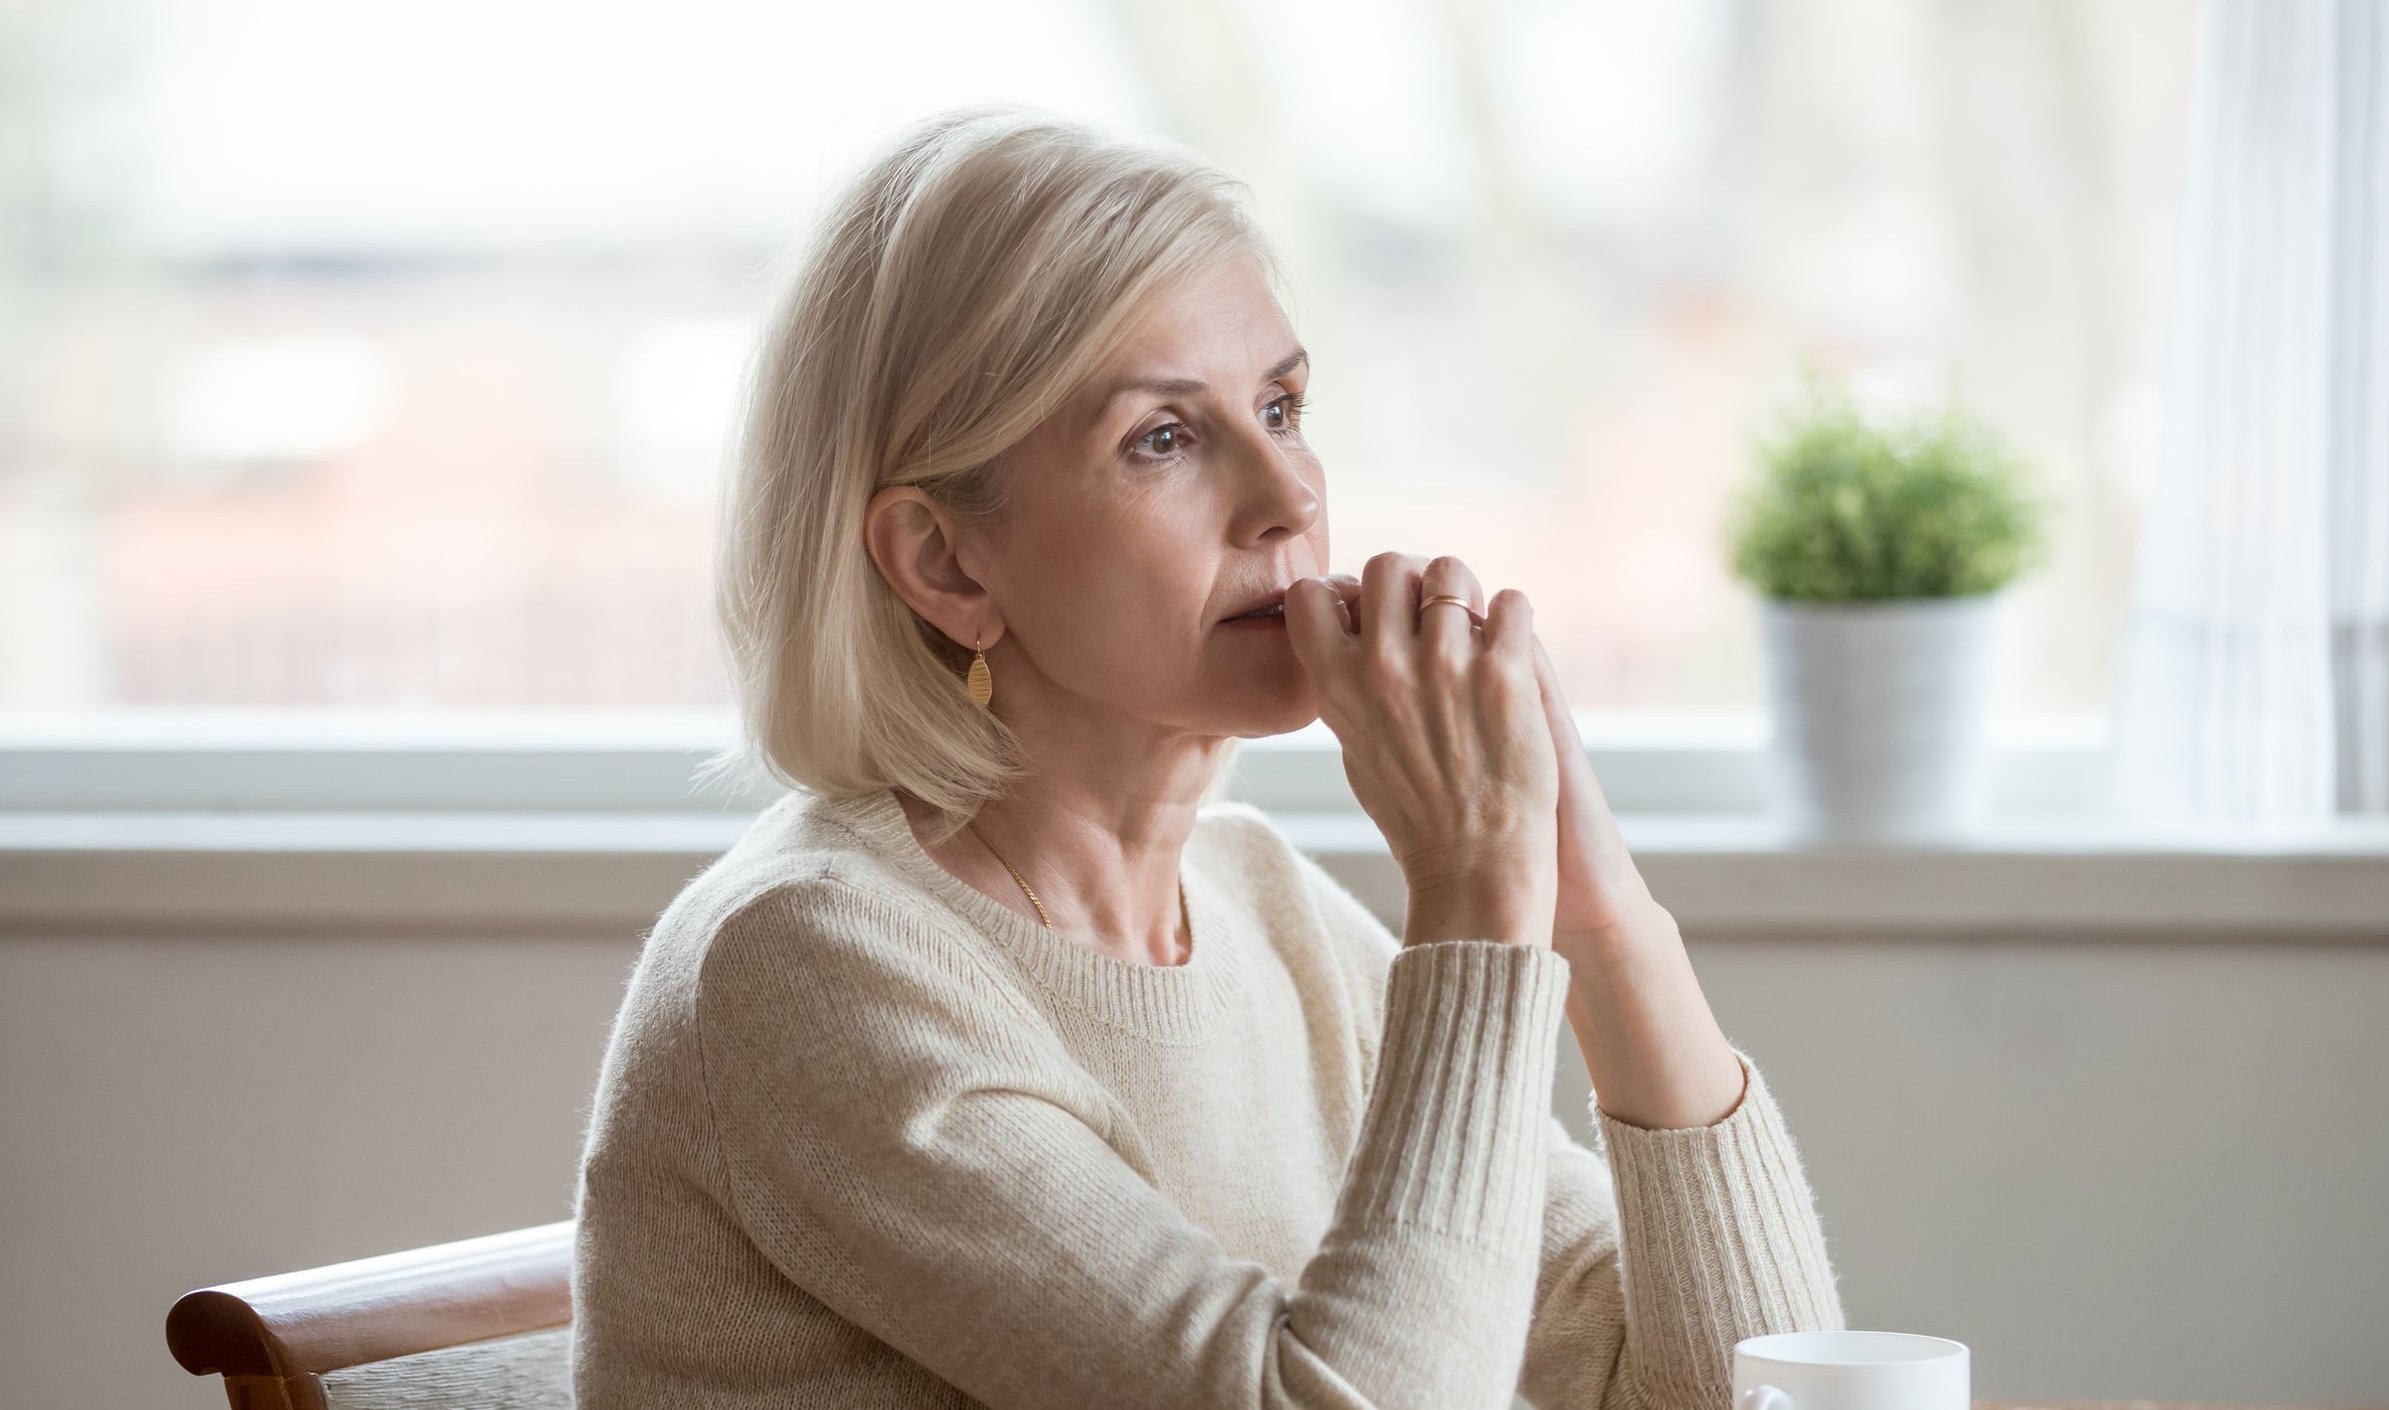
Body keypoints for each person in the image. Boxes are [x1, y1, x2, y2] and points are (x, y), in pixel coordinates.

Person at [571, 104, 1847, 1410]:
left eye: (1283, 405)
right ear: (946, 563)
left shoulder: (1264, 909)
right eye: (1164, 438)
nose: (1291, 496)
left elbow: (1752, 1395)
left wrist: (1596, 911)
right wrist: (1471, 908)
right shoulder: (809, 965)